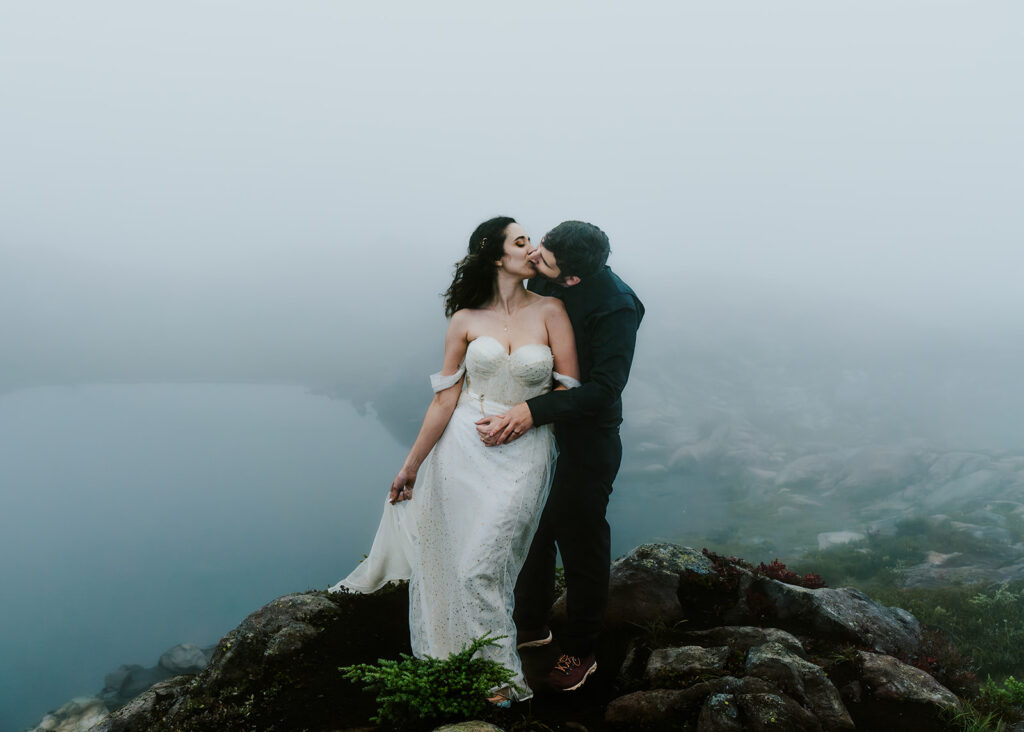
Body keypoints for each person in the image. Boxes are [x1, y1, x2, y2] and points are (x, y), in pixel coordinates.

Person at [328, 216, 580, 703]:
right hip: (461, 448)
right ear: (494, 255)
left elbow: (568, 388)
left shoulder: (552, 310)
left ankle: (494, 673)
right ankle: (470, 672)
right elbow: (444, 400)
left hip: (524, 449)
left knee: (482, 564)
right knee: (450, 561)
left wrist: (528, 415)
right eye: (521, 241)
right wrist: (411, 466)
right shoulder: (465, 319)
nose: (532, 249)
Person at [477, 220, 644, 692]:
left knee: (580, 536)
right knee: (534, 521)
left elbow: (605, 389)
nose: (536, 259)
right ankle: (531, 625)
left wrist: (533, 410)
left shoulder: (616, 308)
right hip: (542, 427)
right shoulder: (553, 267)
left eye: (545, 260)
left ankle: (581, 649)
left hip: (588, 438)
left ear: (570, 278)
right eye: (541, 247)